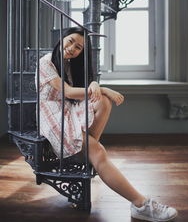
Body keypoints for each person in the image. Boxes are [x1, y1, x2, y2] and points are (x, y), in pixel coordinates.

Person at [38, 26, 178, 221]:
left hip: (67, 111)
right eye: (70, 41)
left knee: (102, 101)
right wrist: (101, 87)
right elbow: (69, 92)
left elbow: (81, 93)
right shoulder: (45, 62)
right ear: (61, 39)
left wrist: (95, 86)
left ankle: (89, 151)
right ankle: (140, 204)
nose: (72, 48)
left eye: (78, 47)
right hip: (52, 116)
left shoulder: (69, 63)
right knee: (99, 147)